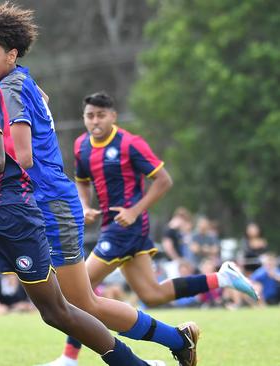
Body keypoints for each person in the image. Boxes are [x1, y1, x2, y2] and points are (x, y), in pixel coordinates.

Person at [0, 5, 179, 366]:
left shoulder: (8, 88)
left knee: (81, 304)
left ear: (12, 55)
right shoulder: (15, 80)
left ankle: (174, 340)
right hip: (6, 206)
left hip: (46, 204)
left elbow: (21, 157)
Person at [64, 91, 259, 364]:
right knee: (152, 295)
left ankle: (70, 357)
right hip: (113, 227)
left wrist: (134, 211)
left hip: (126, 228)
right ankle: (220, 279)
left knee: (76, 293)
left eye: (101, 115)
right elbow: (82, 181)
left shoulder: (130, 143)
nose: (94, 121)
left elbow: (163, 180)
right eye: (89, 116)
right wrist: (84, 206)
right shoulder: (81, 145)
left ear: (113, 116)